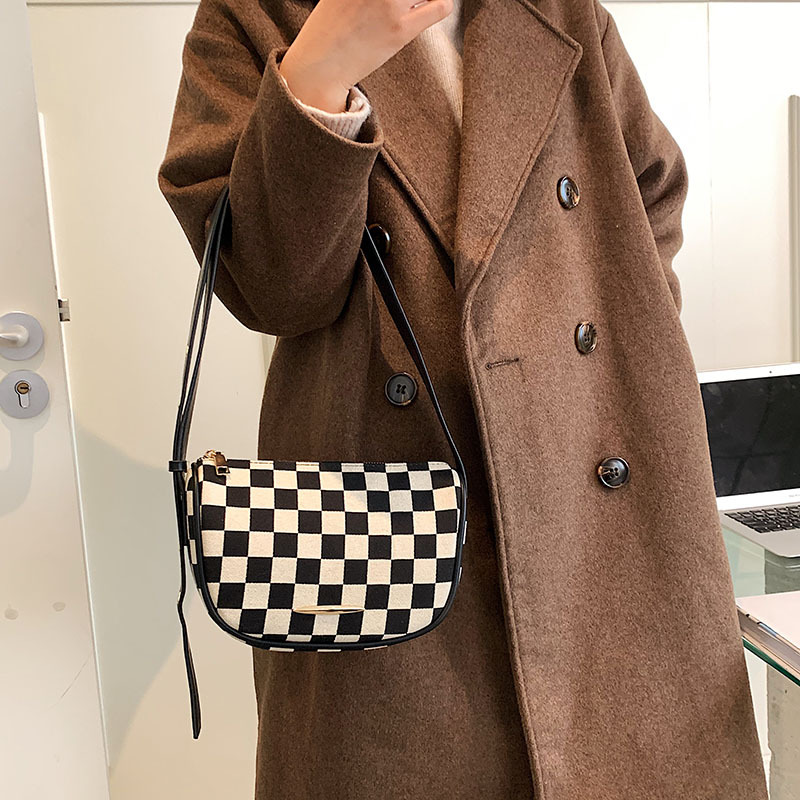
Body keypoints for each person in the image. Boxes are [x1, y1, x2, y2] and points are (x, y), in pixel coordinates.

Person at [157, 0, 769, 797]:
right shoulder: (255, 15)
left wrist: (609, 359)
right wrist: (320, 74)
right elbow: (271, 288)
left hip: (599, 518)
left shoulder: (559, 10)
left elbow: (650, 186)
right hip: (389, 539)